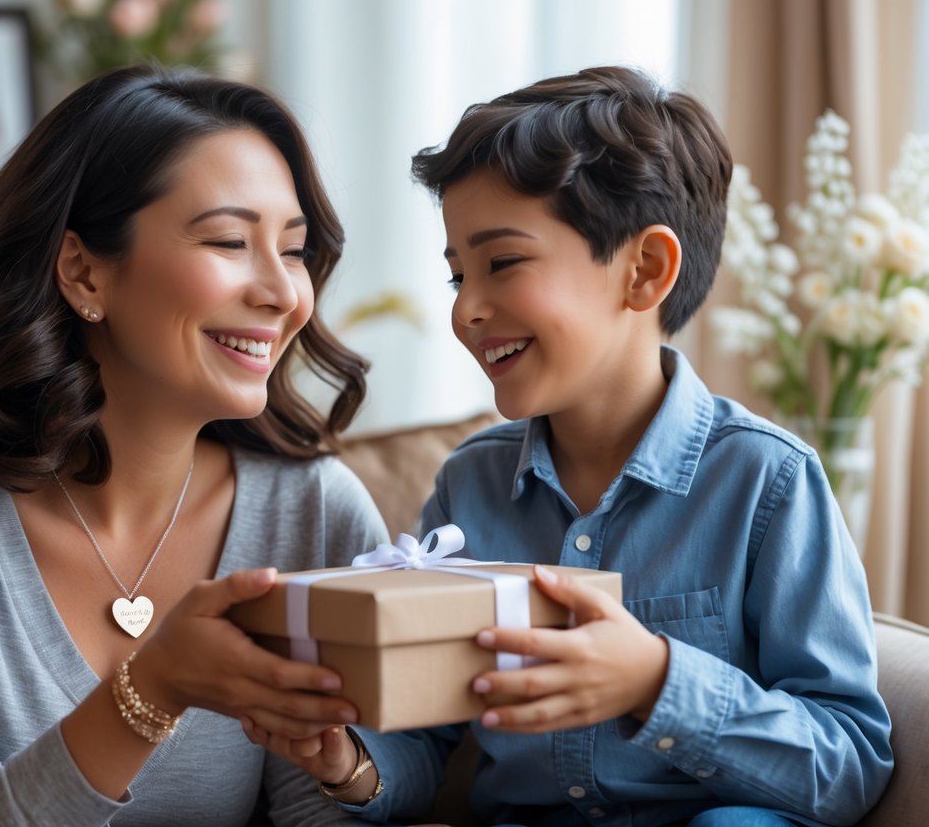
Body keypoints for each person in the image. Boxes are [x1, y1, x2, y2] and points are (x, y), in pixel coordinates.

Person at [251, 66, 894, 826]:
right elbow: (424, 742)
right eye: (457, 274)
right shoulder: (469, 486)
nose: (466, 309)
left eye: (502, 263)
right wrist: (350, 763)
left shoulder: (766, 481)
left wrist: (657, 682)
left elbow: (848, 760)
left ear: (644, 271)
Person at [0, 64, 390, 826]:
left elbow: (321, 811)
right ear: (84, 271)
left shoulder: (312, 508)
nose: (282, 293)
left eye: (292, 250)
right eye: (227, 240)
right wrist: (150, 692)